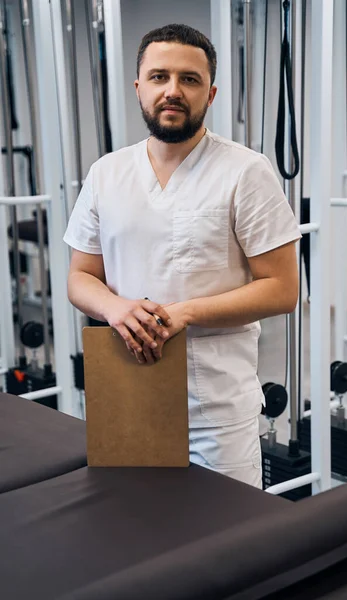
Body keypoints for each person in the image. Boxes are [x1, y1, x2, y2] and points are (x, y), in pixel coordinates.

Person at [64, 23, 301, 489]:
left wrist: (184, 313)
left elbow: (283, 288)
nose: (173, 91)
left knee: (227, 544)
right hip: (130, 389)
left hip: (217, 405)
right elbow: (80, 276)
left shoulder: (246, 172)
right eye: (159, 77)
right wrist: (116, 308)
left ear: (210, 94)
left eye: (189, 80)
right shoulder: (106, 173)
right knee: (133, 529)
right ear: (139, 88)